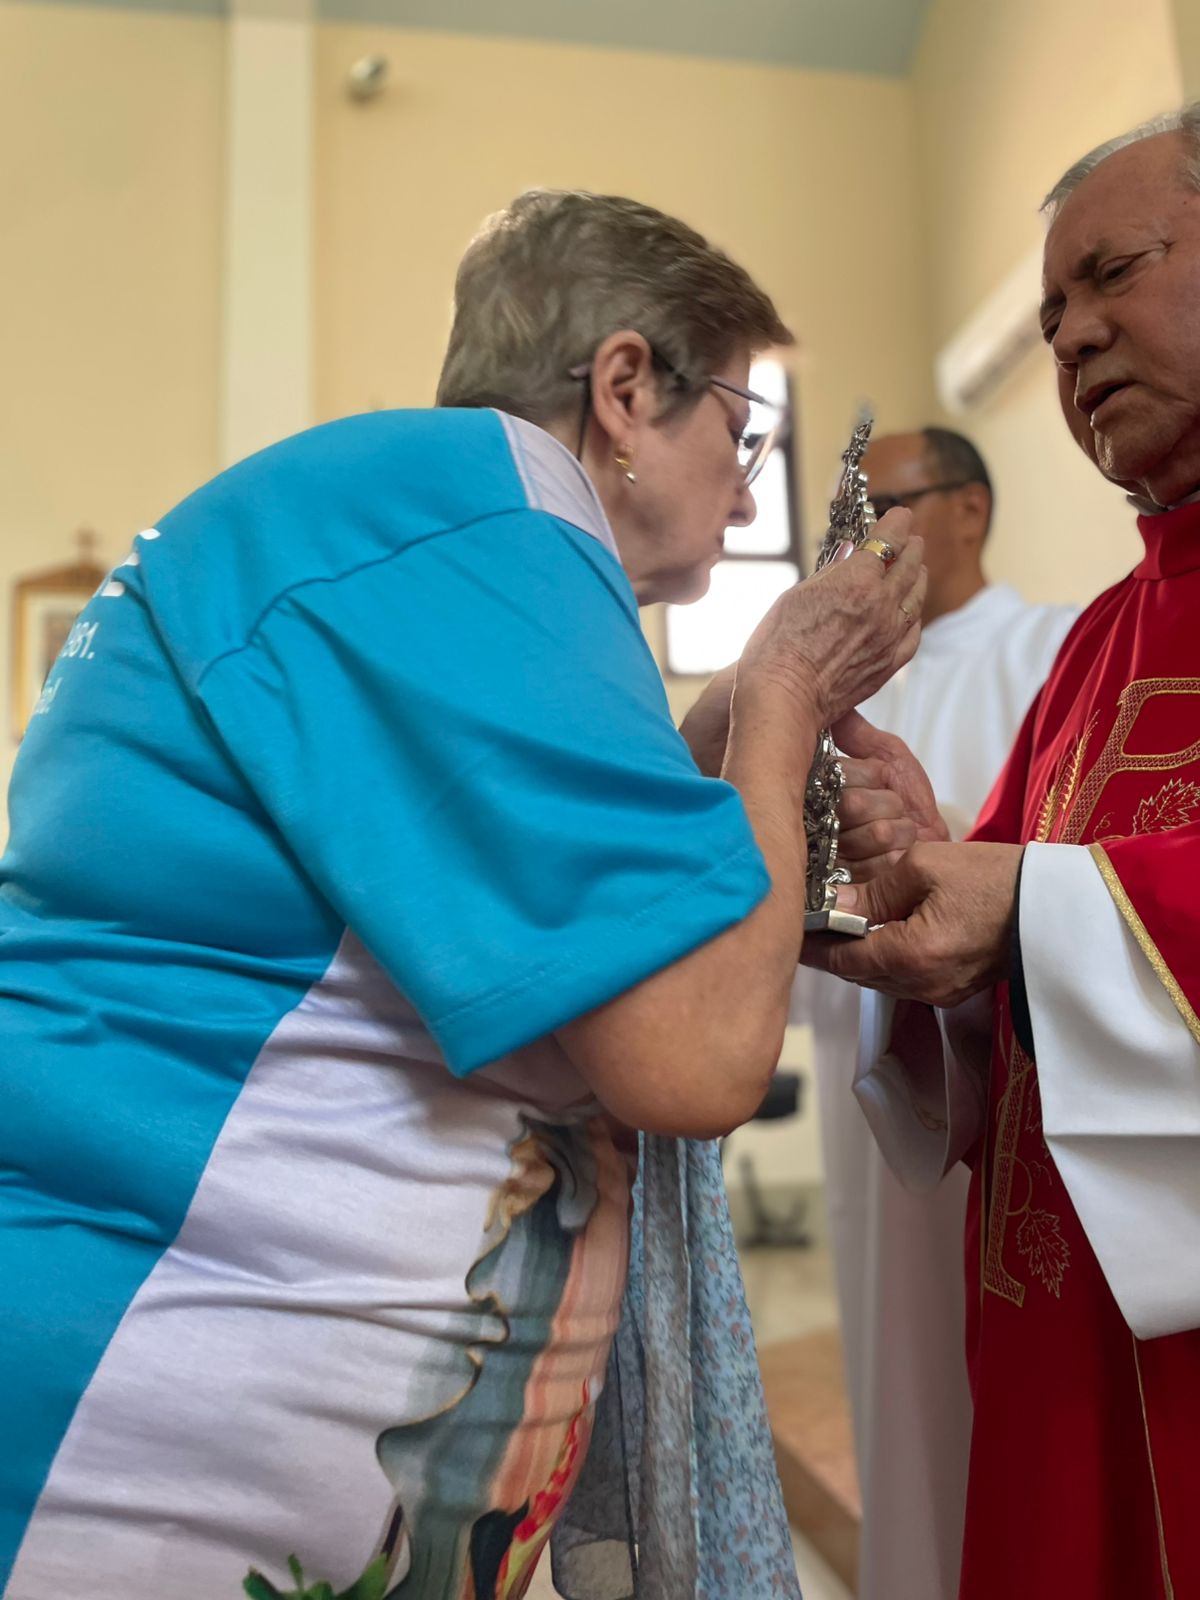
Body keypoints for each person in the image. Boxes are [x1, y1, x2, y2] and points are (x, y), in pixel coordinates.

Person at [0, 189, 925, 1600]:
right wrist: (789, 685)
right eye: (738, 434)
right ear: (625, 389)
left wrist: (729, 740)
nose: (747, 495)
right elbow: (692, 1052)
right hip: (153, 1416)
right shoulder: (498, 526)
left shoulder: (416, 520)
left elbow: (505, 892)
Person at [809, 106, 1200, 1600]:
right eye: (1048, 319)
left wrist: (1027, 903)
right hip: (1056, 1330)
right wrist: (932, 877)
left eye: (1114, 273)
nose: (1075, 335)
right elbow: (1007, 935)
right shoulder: (1097, 643)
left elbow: (1046, 906)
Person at [794, 428, 1076, 1600]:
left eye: (889, 505)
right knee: (894, 1388)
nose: (862, 537)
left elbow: (1075, 869)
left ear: (969, 509)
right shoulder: (845, 686)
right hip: (873, 1076)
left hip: (1006, 1092)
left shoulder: (1056, 646)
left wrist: (938, 846)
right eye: (850, 514)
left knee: (1002, 1409)